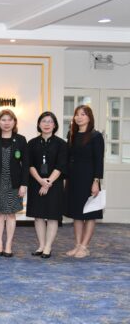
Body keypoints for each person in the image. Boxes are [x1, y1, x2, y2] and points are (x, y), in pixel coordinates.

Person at [0, 109, 29, 258]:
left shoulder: (21, 140)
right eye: (3, 120)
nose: (6, 123)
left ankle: (8, 244)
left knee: (10, 214)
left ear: (14, 122)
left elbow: (26, 164)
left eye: (10, 120)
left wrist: (24, 184)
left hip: (14, 183)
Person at [64, 105, 104, 259]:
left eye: (83, 114)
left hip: (89, 178)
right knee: (77, 214)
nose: (79, 117)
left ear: (89, 117)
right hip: (74, 179)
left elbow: (99, 160)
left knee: (90, 213)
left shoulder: (96, 136)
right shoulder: (72, 134)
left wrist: (96, 181)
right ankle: (77, 245)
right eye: (77, 114)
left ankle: (84, 247)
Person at [26, 112, 67, 259]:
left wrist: (48, 182)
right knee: (38, 216)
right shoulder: (32, 143)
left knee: (52, 217)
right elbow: (29, 164)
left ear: (55, 125)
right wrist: (40, 181)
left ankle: (48, 247)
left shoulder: (61, 144)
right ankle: (41, 245)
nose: (47, 124)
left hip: (54, 185)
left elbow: (61, 165)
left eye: (50, 121)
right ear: (39, 124)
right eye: (44, 121)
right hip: (36, 183)